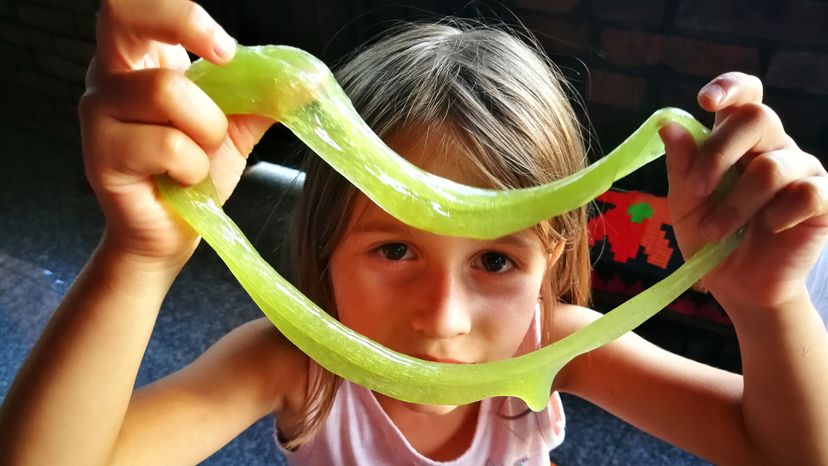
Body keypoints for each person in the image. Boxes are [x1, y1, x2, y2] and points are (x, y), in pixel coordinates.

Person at [1, 0, 827, 464]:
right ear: (323, 243)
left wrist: (768, 302)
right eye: (394, 248)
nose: (444, 321)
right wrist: (139, 258)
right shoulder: (291, 364)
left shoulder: (570, 347)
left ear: (556, 255)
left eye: (497, 259)